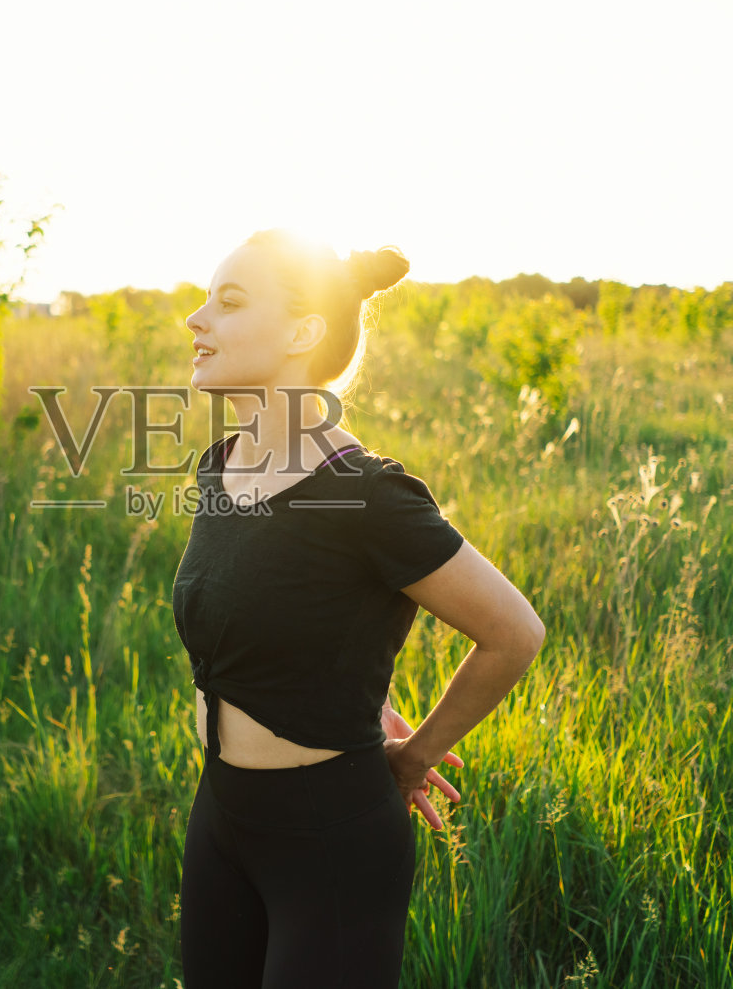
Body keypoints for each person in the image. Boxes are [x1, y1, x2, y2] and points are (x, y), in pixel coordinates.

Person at [173, 228, 547, 988]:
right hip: (221, 815)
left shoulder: (369, 492)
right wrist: (353, 694)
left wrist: (415, 755)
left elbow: (513, 632)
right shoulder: (223, 463)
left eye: (229, 300)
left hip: (330, 839)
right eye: (206, 297)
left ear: (302, 332)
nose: (196, 319)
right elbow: (286, 613)